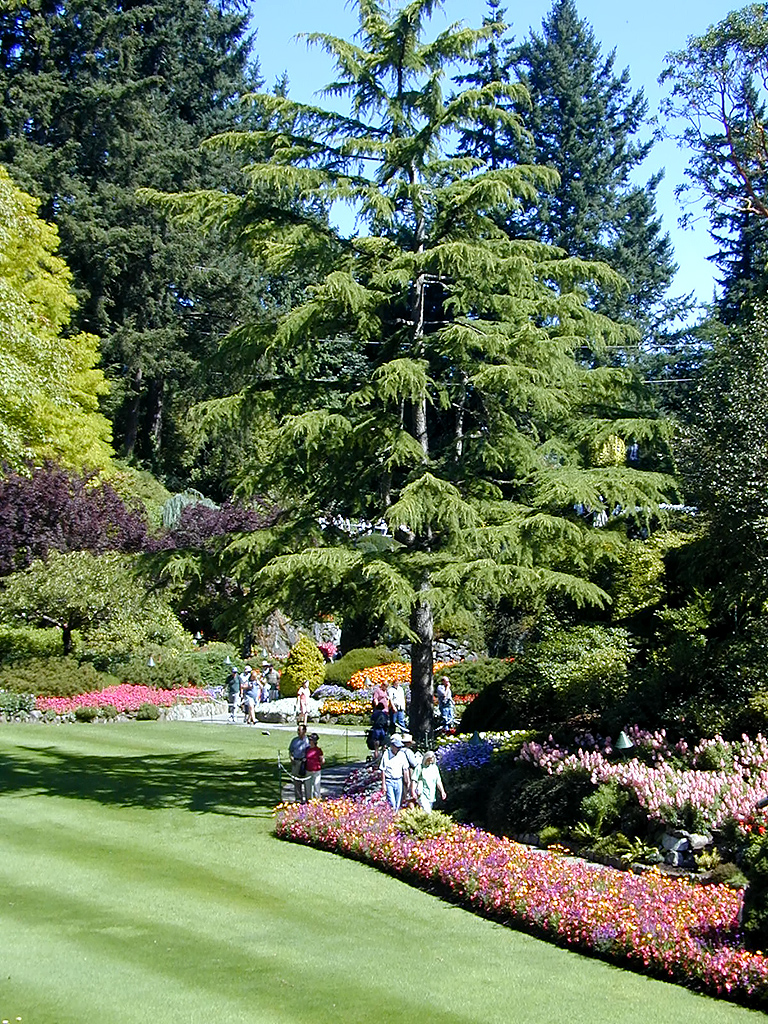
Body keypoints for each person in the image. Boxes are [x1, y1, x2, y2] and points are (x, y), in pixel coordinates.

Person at [380, 735, 411, 810]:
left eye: (399, 747)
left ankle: (395, 817)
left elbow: (405, 769)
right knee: (392, 802)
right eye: (397, 747)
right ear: (392, 746)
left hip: (399, 780)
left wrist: (408, 781)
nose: (398, 749)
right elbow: (383, 770)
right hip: (389, 780)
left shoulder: (402, 755)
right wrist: (383, 784)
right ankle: (393, 815)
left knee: (398, 803)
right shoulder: (386, 754)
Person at [288, 724, 309, 803]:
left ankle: (308, 798)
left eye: (300, 730)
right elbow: (290, 750)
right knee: (296, 781)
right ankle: (298, 798)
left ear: (304, 731)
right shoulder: (294, 740)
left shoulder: (307, 741)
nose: (298, 732)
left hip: (304, 762)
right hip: (296, 762)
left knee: (306, 782)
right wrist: (291, 758)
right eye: (298, 730)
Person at [401, 733, 422, 805]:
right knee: (409, 790)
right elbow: (414, 763)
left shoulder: (398, 750)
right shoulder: (408, 752)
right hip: (409, 771)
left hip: (399, 771)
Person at [304, 732, 325, 800]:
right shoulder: (307, 749)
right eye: (309, 739)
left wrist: (317, 765)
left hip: (316, 771)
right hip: (308, 770)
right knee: (308, 786)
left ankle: (317, 799)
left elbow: (322, 760)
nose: (309, 741)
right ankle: (308, 800)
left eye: (311, 740)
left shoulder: (318, 750)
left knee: (316, 785)